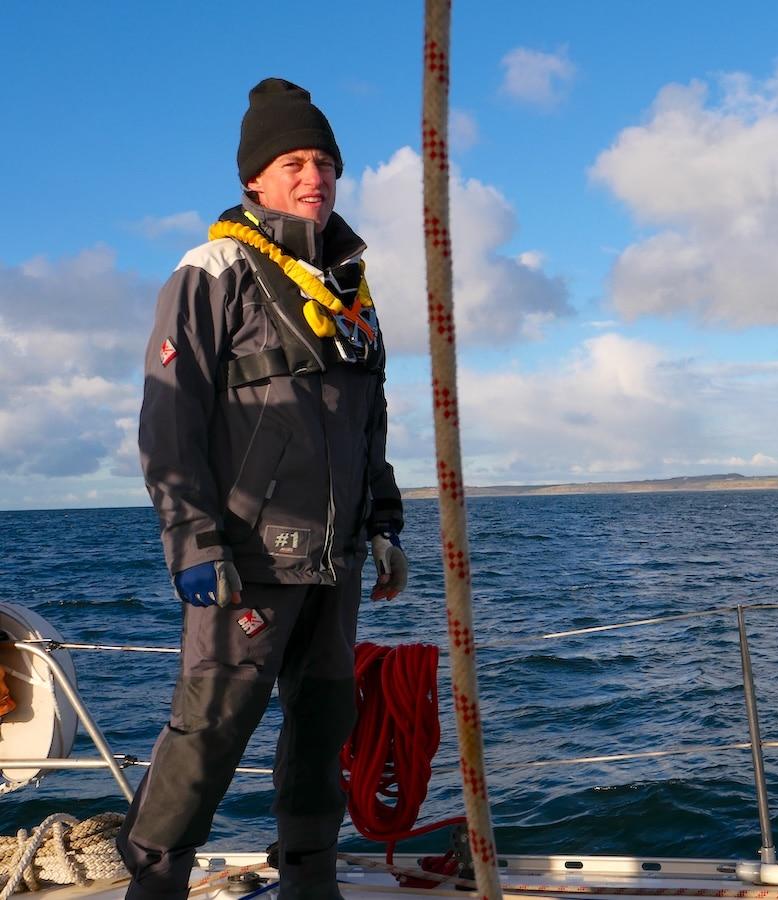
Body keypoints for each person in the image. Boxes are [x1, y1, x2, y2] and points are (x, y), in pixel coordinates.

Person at [119, 77, 409, 900]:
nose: (313, 175)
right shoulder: (214, 269)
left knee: (324, 732)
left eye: (324, 161)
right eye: (294, 161)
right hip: (246, 559)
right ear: (255, 178)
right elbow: (168, 420)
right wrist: (193, 539)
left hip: (338, 559)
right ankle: (154, 886)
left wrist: (384, 526)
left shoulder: (354, 293)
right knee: (208, 734)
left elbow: (368, 420)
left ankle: (311, 884)